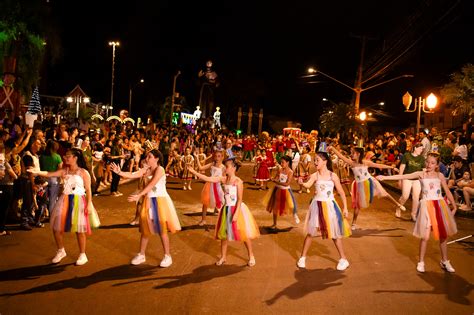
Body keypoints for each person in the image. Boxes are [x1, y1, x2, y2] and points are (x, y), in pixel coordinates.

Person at [377, 153, 457, 273]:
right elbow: (405, 176)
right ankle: (421, 261)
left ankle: (445, 261)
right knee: (425, 237)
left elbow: (447, 191)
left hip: (439, 206)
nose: (429, 164)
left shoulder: (440, 176)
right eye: (428, 162)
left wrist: (454, 205)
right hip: (427, 206)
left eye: (432, 163)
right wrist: (385, 177)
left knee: (443, 236)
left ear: (437, 165)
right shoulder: (421, 174)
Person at [29, 148, 100, 265]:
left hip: (79, 200)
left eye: (68, 156)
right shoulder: (64, 171)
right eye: (65, 156)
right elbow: (49, 173)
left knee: (80, 229)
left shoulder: (83, 172)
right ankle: (61, 250)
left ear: (75, 158)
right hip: (65, 200)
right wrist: (36, 172)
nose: (65, 158)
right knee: (56, 227)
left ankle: (83, 254)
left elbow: (88, 190)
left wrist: (89, 204)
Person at [111, 149, 181, 267]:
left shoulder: (160, 169)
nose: (146, 158)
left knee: (162, 229)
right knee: (145, 229)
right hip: (148, 201)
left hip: (160, 201)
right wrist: (119, 172)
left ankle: (167, 256)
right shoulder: (146, 169)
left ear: (157, 159)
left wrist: (139, 195)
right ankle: (141, 255)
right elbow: (132, 175)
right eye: (147, 156)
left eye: (149, 157)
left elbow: (152, 184)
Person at [188, 158, 259, 267]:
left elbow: (240, 199)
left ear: (234, 168)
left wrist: (236, 214)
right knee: (223, 234)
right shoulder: (223, 179)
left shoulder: (238, 182)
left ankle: (251, 255)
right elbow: (208, 178)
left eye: (228, 166)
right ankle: (223, 257)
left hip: (237, 210)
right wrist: (194, 172)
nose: (225, 168)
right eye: (225, 166)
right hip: (226, 210)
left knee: (243, 233)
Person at [329, 145, 406, 230]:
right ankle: (354, 223)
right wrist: (332, 148)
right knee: (357, 205)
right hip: (359, 185)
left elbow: (378, 165)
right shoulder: (351, 163)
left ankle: (398, 204)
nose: (351, 154)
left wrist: (392, 167)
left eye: (353, 153)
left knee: (384, 194)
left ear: (358, 154)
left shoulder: (365, 162)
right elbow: (340, 156)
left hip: (370, 182)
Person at [296, 151, 351, 270]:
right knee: (311, 232)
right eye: (314, 160)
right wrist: (302, 183)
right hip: (317, 206)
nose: (315, 162)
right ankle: (302, 257)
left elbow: (341, 192)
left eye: (317, 160)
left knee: (335, 233)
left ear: (325, 162)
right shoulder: (315, 175)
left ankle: (343, 259)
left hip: (330, 206)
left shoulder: (333, 176)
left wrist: (345, 207)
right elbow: (308, 185)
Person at [263, 155, 300, 228]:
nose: (281, 164)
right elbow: (276, 178)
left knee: (292, 205)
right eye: (281, 162)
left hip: (286, 190)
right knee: (275, 207)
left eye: (283, 162)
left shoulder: (290, 172)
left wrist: (276, 181)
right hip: (277, 189)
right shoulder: (279, 170)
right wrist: (272, 179)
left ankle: (295, 214)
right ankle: (274, 224)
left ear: (288, 163)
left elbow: (287, 184)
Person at [194, 149, 225, 226]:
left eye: (219, 156)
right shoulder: (212, 164)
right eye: (216, 156)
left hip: (217, 186)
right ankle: (203, 220)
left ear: (222, 157)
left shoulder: (223, 167)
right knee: (205, 202)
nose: (217, 158)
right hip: (209, 185)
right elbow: (201, 168)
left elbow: (224, 179)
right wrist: (196, 157)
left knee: (220, 203)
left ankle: (223, 222)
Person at [397, 143, 425, 220]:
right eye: (420, 148)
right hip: (407, 178)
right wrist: (399, 179)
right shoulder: (407, 155)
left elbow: (424, 170)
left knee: (416, 197)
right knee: (405, 196)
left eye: (422, 149)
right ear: (415, 148)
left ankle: (413, 214)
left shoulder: (422, 158)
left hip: (417, 180)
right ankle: (399, 207)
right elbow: (402, 167)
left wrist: (424, 182)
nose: (421, 150)